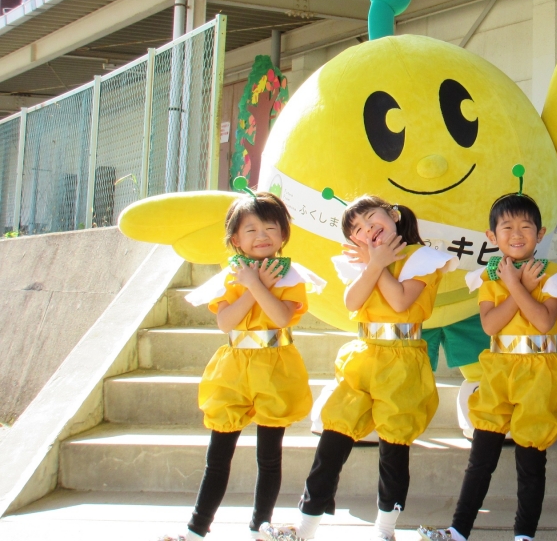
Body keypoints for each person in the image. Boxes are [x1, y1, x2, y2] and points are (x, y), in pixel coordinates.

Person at [264, 196, 457, 541]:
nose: (367, 229)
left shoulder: (423, 258)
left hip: (402, 359)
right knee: (333, 436)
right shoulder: (362, 262)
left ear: (393, 214)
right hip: (364, 354)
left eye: (371, 219)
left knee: (394, 444)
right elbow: (352, 302)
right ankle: (305, 527)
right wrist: (372, 264)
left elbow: (400, 301)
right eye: (357, 229)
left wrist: (377, 263)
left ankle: (385, 530)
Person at [417, 192, 557, 541]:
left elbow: (543, 322)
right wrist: (515, 285)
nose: (516, 234)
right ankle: (458, 530)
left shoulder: (553, 275)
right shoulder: (489, 277)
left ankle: (524, 535)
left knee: (531, 460)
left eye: (526, 226)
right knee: (481, 457)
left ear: (540, 234)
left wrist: (515, 285)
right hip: (498, 369)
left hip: (539, 371)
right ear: (492, 236)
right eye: (507, 227)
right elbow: (490, 325)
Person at [159, 189, 323, 541]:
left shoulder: (291, 275)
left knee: (269, 456)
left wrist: (259, 285)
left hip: (275, 365)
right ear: (235, 239)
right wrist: (252, 285)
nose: (262, 236)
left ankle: (259, 526)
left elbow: (281, 317)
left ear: (283, 234)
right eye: (251, 229)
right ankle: (196, 529)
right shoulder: (230, 276)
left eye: (270, 228)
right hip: (234, 368)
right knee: (218, 456)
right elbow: (226, 322)